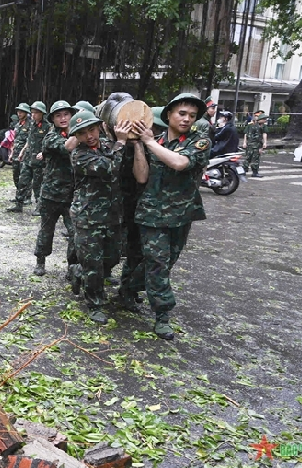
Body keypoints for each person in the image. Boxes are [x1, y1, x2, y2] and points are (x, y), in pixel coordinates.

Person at [132, 93, 210, 340]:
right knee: (157, 262)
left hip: (181, 213)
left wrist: (148, 142)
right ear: (168, 115)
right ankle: (162, 315)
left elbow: (179, 163)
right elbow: (142, 177)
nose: (187, 119)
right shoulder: (151, 141)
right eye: (182, 113)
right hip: (152, 212)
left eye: (192, 116)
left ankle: (127, 287)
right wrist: (138, 145)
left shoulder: (199, 141)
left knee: (165, 262)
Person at [65, 110, 132, 323]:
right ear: (77, 136)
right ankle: (94, 303)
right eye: (83, 133)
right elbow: (110, 167)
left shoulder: (106, 146)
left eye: (92, 129)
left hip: (112, 215)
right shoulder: (80, 155)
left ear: (100, 127)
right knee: (93, 264)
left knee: (112, 257)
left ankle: (77, 270)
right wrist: (121, 142)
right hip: (88, 217)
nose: (90, 136)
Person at [117, 108, 160, 312]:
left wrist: (139, 145)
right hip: (123, 206)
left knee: (139, 253)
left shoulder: (155, 145)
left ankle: (128, 290)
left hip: (144, 207)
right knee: (123, 252)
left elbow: (144, 177)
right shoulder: (120, 143)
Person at [30, 101, 77, 277]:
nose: (63, 118)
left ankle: (72, 266)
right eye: (58, 115)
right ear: (53, 119)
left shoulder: (78, 134)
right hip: (51, 193)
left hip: (72, 194)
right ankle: (40, 261)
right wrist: (80, 129)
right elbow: (67, 147)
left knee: (75, 233)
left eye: (66, 114)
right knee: (46, 229)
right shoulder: (50, 137)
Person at [14, 101, 50, 215]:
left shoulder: (47, 126)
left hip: (39, 161)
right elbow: (29, 141)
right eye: (32, 112)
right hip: (28, 159)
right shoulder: (31, 125)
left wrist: (44, 153)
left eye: (36, 112)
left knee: (38, 185)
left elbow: (49, 143)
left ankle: (39, 207)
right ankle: (18, 205)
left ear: (42, 113)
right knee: (22, 182)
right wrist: (22, 151)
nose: (33, 115)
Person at [7, 103, 32, 207]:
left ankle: (27, 197)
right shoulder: (17, 125)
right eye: (18, 111)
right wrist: (11, 153)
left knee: (25, 176)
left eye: (21, 111)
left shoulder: (30, 124)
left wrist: (23, 151)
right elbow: (15, 140)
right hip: (16, 153)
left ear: (26, 113)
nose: (19, 113)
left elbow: (30, 140)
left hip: (25, 154)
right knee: (16, 176)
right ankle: (19, 195)